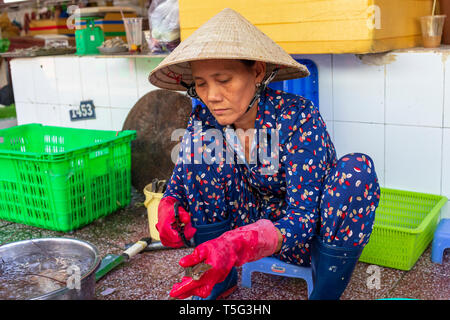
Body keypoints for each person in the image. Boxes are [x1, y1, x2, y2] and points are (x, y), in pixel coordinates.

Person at [148, 8, 380, 300]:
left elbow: (304, 217)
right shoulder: (205, 119)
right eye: (201, 84)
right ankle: (216, 277)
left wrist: (246, 242)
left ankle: (324, 294)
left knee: (356, 172)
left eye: (224, 80)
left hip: (303, 238)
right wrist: (171, 202)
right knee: (202, 148)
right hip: (240, 229)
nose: (212, 96)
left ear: (257, 72)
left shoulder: (298, 118)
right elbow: (183, 178)